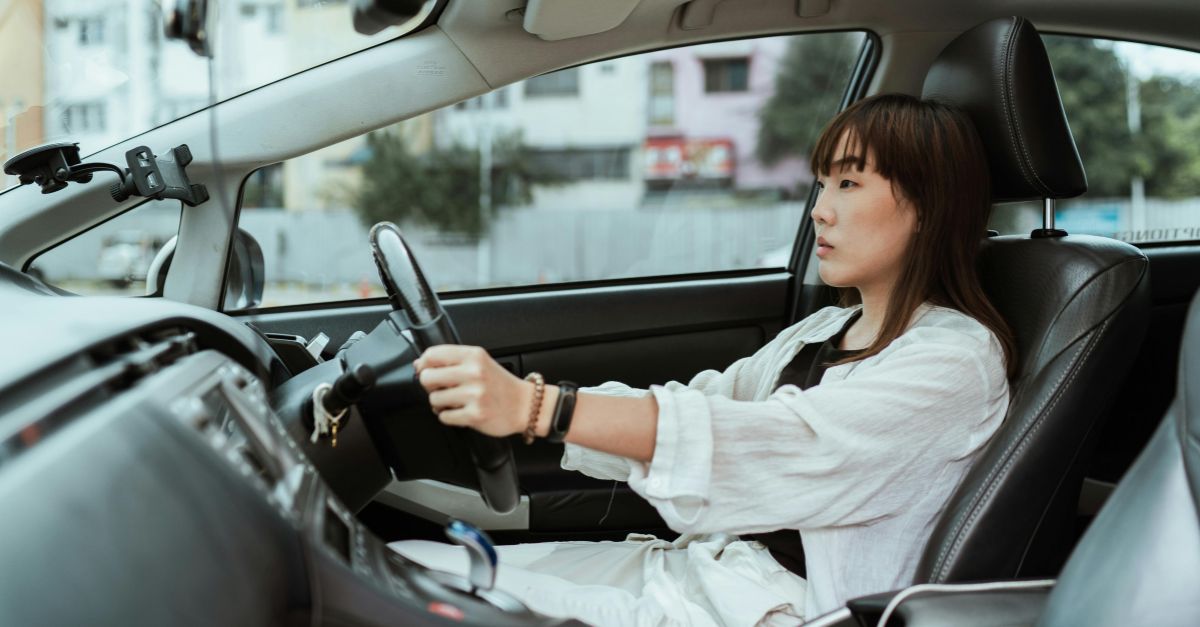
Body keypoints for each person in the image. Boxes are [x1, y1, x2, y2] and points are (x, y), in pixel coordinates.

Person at [391, 93, 1016, 625]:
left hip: (771, 609)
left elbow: (767, 441)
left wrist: (538, 409)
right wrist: (519, 407)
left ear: (928, 206)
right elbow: (706, 402)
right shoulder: (828, 327)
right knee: (408, 567)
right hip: (704, 570)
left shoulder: (954, 363)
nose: (819, 209)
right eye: (822, 183)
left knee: (413, 598)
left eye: (848, 183)